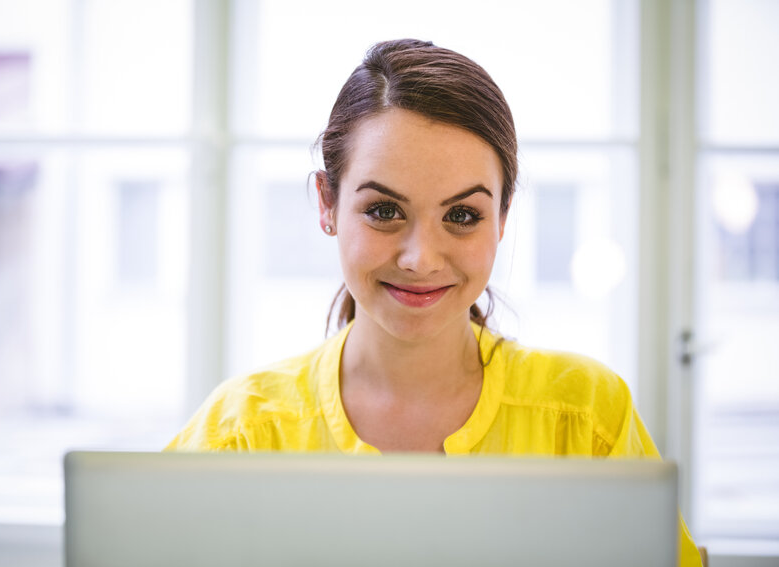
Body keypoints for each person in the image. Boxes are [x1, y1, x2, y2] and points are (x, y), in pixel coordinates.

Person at [167, 38, 703, 566]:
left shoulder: (587, 420)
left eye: (463, 215)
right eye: (383, 210)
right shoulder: (239, 434)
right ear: (327, 204)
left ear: (503, 217)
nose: (421, 259)